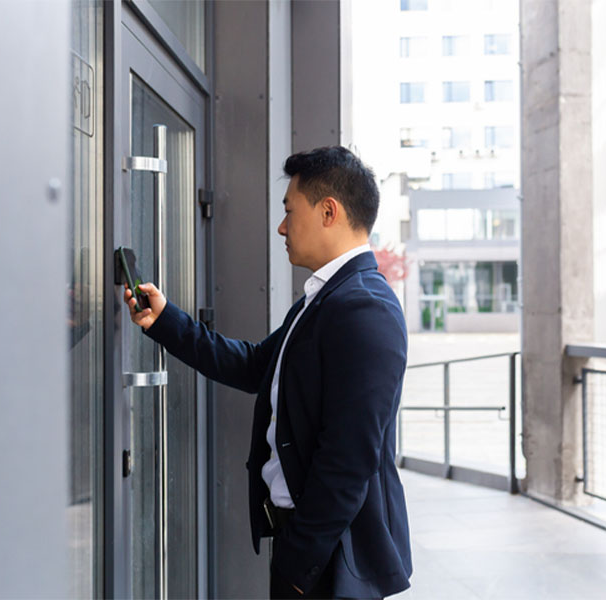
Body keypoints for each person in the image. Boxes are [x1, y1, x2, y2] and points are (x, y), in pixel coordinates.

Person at [123, 146, 411, 599]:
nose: (282, 226)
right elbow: (257, 365)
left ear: (329, 211)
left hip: (330, 563)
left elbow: (349, 459)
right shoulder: (325, 300)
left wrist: (299, 565)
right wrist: (164, 321)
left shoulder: (365, 308)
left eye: (289, 211)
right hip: (310, 553)